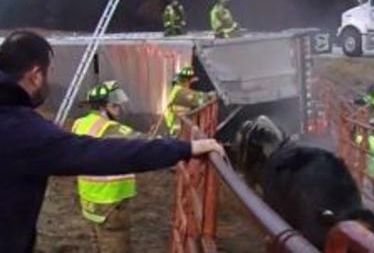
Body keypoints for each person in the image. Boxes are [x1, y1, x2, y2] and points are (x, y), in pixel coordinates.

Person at [0, 30, 223, 252]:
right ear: (36, 74)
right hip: (109, 207)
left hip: (90, 206)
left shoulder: (78, 123)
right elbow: (113, 151)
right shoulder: (21, 129)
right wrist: (185, 148)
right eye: (49, 73)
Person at [72, 80, 145, 252]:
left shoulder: (79, 124)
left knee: (97, 244)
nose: (119, 107)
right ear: (103, 106)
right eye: (115, 104)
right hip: (111, 204)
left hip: (90, 201)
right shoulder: (110, 129)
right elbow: (144, 142)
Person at [164, 66, 212, 137]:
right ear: (186, 80)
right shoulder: (180, 92)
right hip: (176, 130)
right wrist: (209, 96)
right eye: (190, 80)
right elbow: (195, 99)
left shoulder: (178, 90)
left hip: (177, 128)